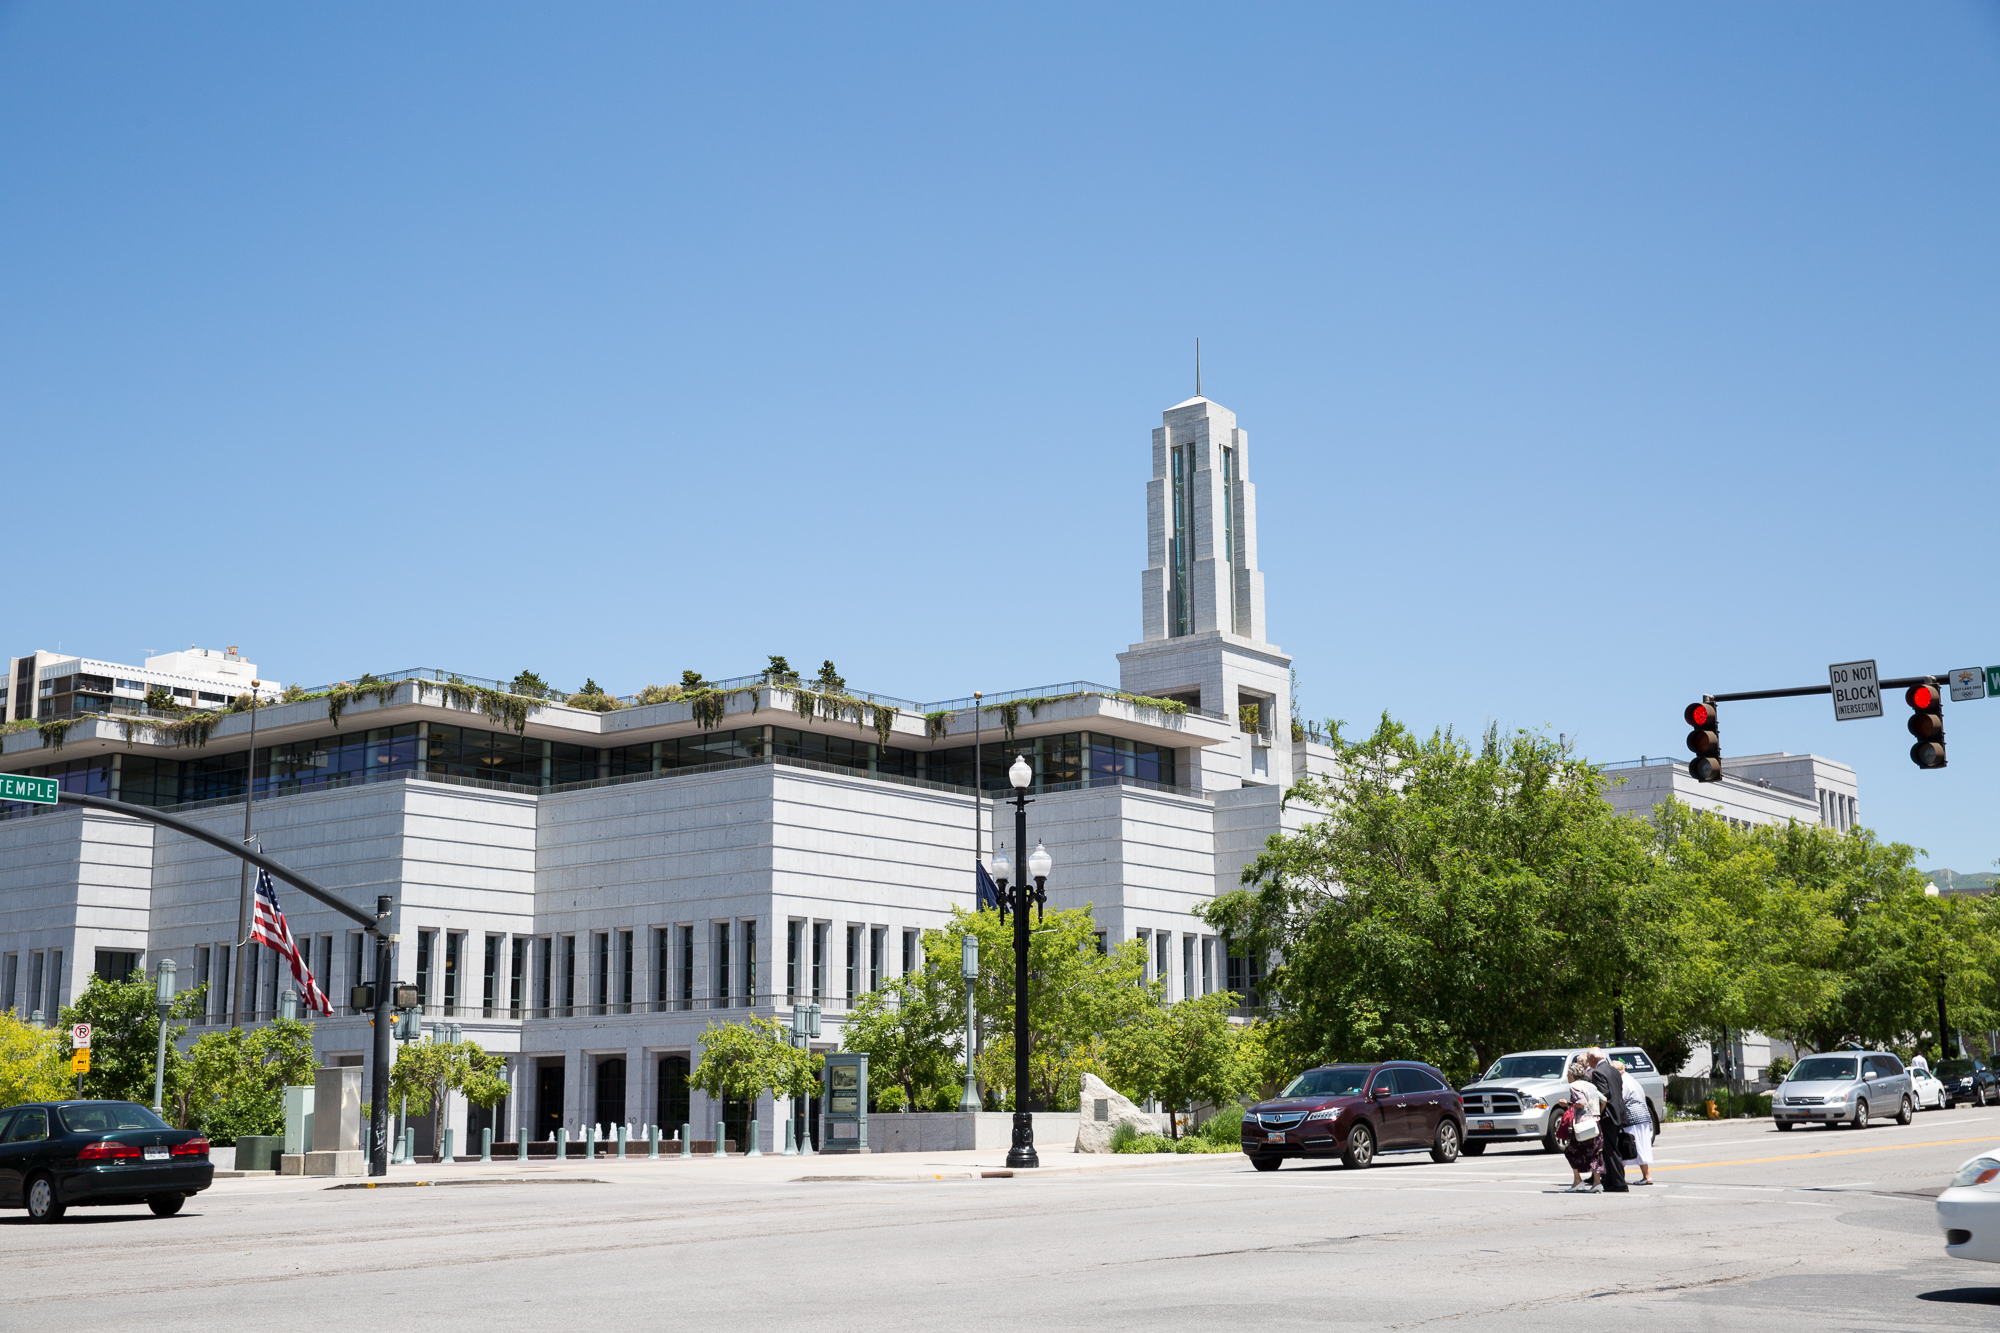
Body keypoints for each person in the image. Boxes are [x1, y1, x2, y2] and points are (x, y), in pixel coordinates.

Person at [1585, 1047, 1630, 1193]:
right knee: (1611, 1148)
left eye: (1588, 1058)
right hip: (1618, 1112)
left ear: (1593, 1058)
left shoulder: (1598, 1072)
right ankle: (1610, 1181)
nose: (1587, 1061)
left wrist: (1598, 1115)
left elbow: (1603, 1096)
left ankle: (1619, 1183)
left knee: (1610, 1150)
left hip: (1608, 1115)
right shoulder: (1613, 1070)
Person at [1561, 1057, 1604, 1192]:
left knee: (1570, 1151)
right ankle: (1596, 1182)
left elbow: (1581, 1103)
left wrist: (1566, 1104)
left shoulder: (1574, 1086)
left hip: (1582, 1125)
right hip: (1595, 1123)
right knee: (1595, 1152)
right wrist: (1597, 1115)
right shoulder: (1591, 1085)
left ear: (1572, 1075)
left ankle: (1577, 1180)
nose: (1568, 1076)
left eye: (1568, 1074)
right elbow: (1604, 1100)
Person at [1613, 1058, 1655, 1185]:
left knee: (1627, 1146)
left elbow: (1621, 1099)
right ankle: (1646, 1176)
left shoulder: (1623, 1082)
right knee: (1640, 1145)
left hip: (1632, 1117)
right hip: (1642, 1116)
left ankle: (1618, 1177)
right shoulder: (1631, 1079)